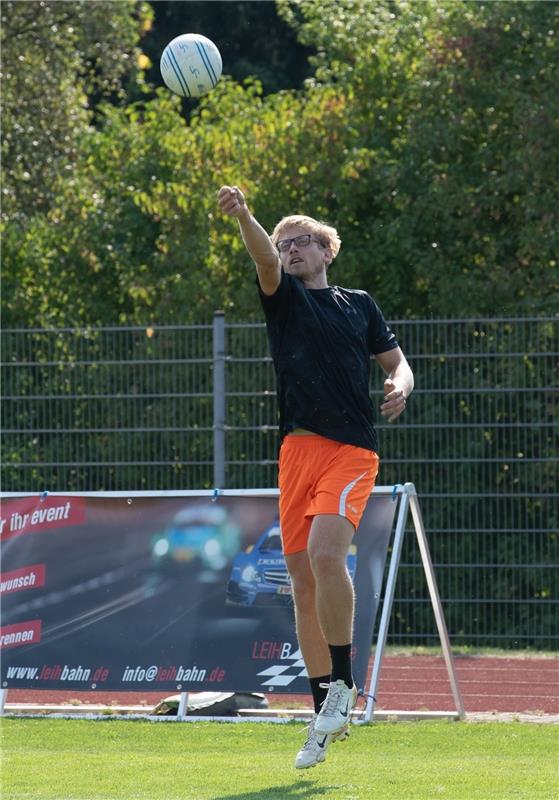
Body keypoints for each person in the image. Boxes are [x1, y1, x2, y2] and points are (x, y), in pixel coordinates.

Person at [218, 185, 414, 769]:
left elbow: (396, 362)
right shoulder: (283, 297)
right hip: (296, 453)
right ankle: (323, 712)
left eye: (302, 241)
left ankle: (345, 686)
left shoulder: (360, 304)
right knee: (300, 583)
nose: (290, 249)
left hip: (350, 451)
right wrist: (248, 219)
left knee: (329, 557)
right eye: (284, 244)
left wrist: (402, 383)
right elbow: (259, 256)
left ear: (327, 250)